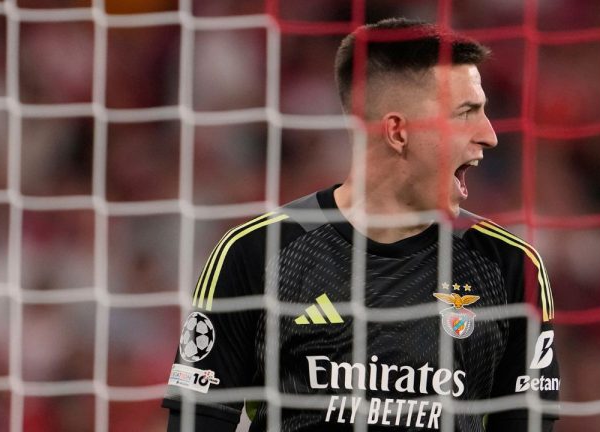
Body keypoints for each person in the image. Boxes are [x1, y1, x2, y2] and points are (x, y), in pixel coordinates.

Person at [162, 17, 559, 432]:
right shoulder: (256, 253)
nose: (490, 135)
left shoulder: (510, 268)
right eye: (466, 113)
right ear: (398, 132)